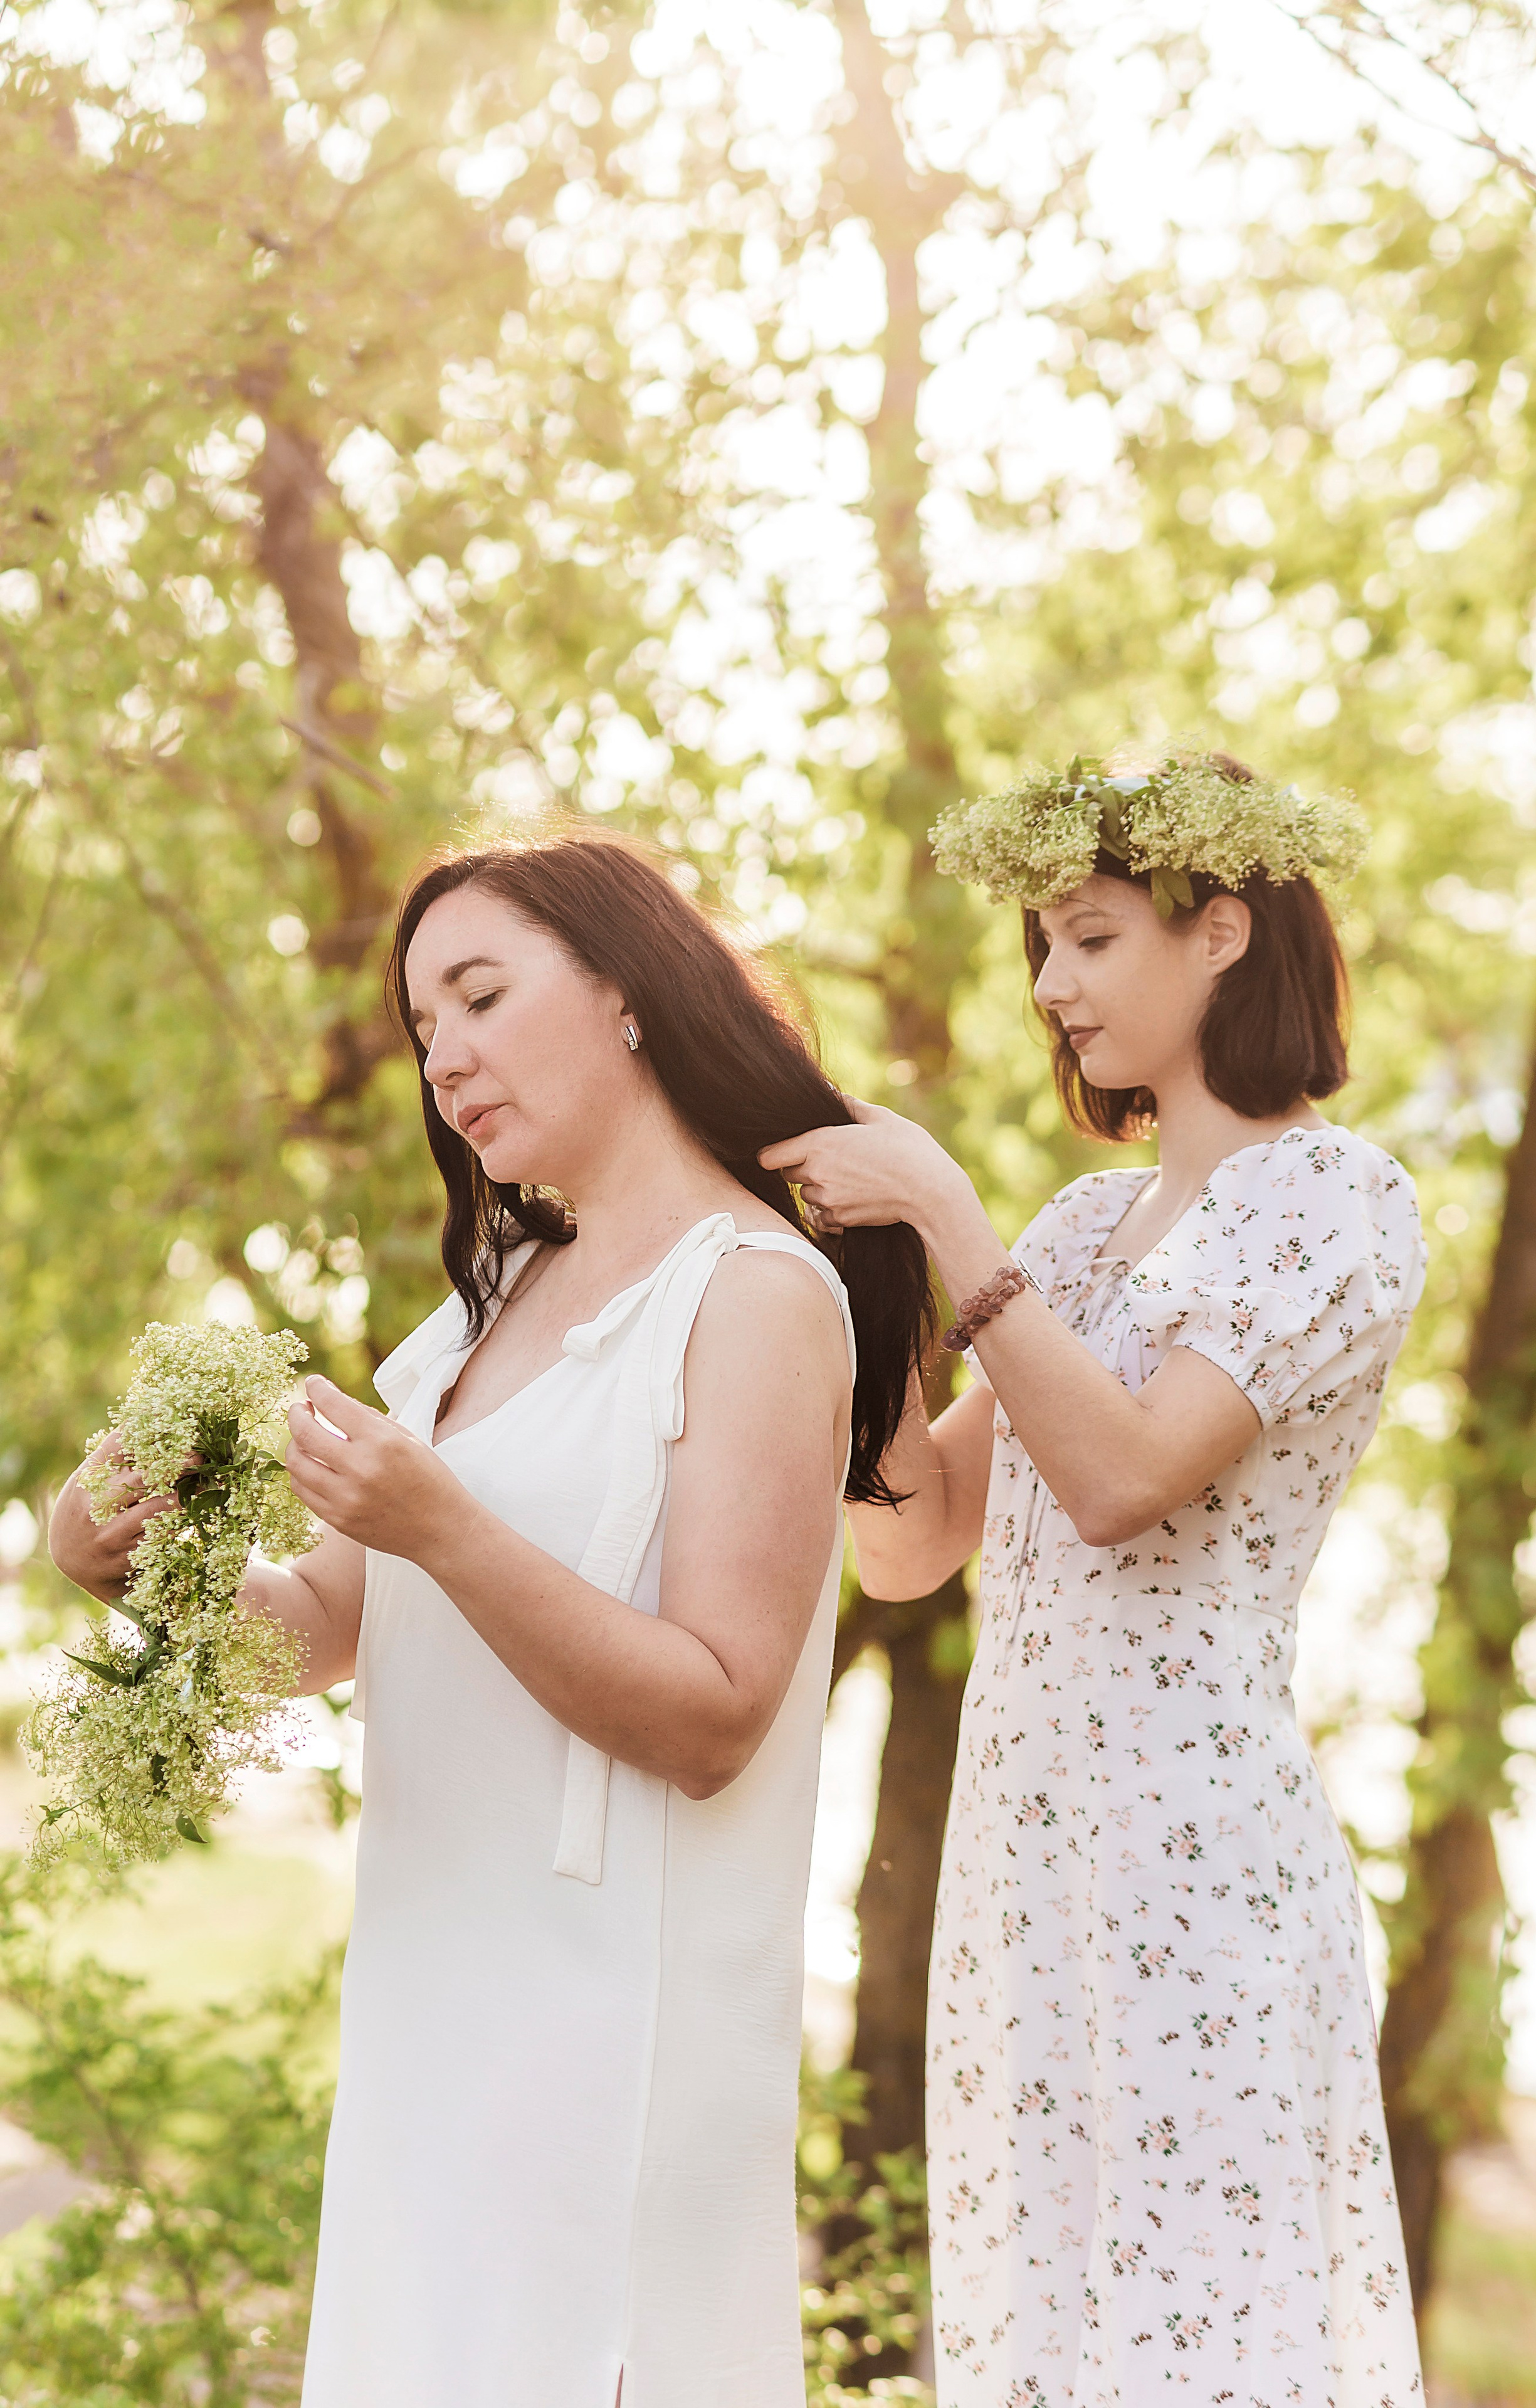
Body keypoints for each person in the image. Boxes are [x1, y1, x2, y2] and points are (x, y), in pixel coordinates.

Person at [49, 832, 932, 2408]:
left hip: (609, 2031)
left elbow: (719, 1713)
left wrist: (444, 1529)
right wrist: (132, 1567)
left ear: (626, 997)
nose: (445, 1059)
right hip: (435, 1992)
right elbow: (330, 1624)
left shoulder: (756, 1296)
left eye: (478, 996)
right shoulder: (487, 1299)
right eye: (420, 1028)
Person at [762, 752, 1426, 2404]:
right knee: (1053, 2323)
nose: (1052, 988)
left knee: (1201, 2334)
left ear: (1219, 933)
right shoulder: (1076, 1230)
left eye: (1087, 937)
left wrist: (949, 1220)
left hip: (1195, 1862)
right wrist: (860, 1282)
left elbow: (1126, 1477)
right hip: (1029, 1859)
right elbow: (916, 1540)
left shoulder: (1338, 1201)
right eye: (1043, 950)